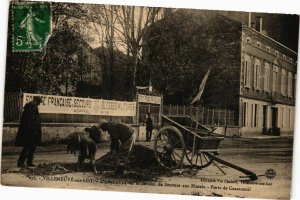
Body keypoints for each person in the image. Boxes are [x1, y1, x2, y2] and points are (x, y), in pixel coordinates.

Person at [15, 96, 43, 167]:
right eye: (38, 102)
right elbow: (26, 122)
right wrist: (28, 131)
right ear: (34, 101)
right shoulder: (28, 108)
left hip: (34, 132)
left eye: (39, 103)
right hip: (28, 132)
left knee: (33, 147)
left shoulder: (35, 109)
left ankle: (29, 161)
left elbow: (37, 120)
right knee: (27, 147)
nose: (38, 104)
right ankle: (20, 162)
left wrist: (37, 130)